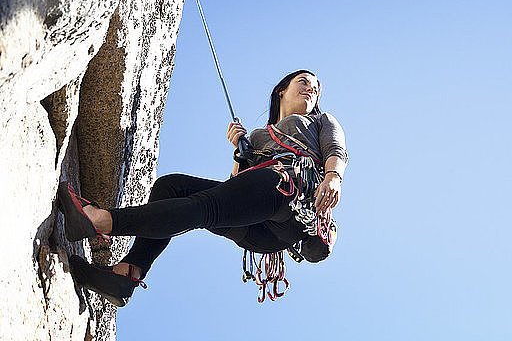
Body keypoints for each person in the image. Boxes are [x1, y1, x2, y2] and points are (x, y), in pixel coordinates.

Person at [59, 70, 348, 306]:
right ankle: (129, 272)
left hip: (292, 194)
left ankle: (98, 220)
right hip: (261, 230)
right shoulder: (260, 136)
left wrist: (333, 176)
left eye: (316, 88)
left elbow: (336, 149)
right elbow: (234, 189)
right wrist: (240, 153)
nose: (312, 89)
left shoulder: (321, 121)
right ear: (281, 91)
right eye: (304, 82)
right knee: (172, 187)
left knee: (207, 207)